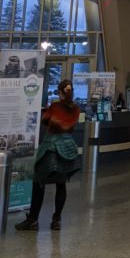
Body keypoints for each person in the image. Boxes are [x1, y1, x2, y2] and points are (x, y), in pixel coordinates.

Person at [15, 79, 80, 232]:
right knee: (61, 184)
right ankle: (56, 219)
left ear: (60, 92)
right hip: (67, 148)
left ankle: (33, 219)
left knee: (39, 181)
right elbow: (70, 125)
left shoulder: (55, 107)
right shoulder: (76, 109)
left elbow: (45, 121)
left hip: (51, 148)